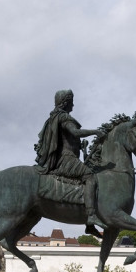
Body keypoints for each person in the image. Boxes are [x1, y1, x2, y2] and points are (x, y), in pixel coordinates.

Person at [35, 89, 107, 234]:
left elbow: (68, 139)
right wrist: (95, 132)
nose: (73, 105)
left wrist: (81, 147)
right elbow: (75, 132)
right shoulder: (63, 117)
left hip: (66, 157)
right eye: (71, 102)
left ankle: (89, 226)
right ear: (66, 102)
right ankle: (91, 216)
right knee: (90, 176)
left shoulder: (53, 118)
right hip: (65, 159)